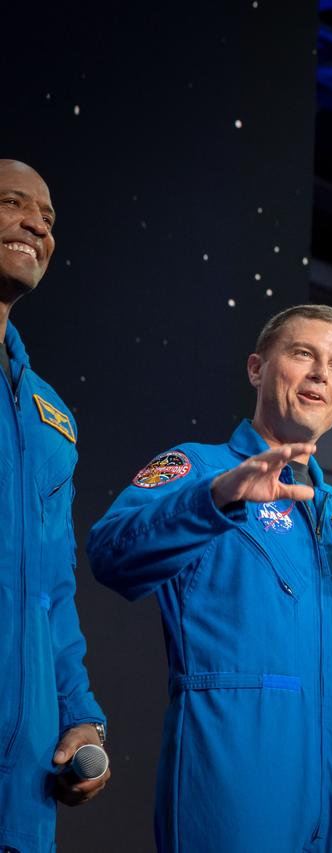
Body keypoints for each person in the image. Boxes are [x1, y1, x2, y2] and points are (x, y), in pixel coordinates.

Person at [87, 304, 332, 852]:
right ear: (256, 369)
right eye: (303, 354)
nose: (321, 374)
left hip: (331, 794)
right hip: (232, 781)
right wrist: (215, 499)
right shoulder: (201, 470)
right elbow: (110, 554)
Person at [0, 159, 109, 852]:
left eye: (46, 218)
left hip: (24, 785)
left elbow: (52, 593)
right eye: (13, 204)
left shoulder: (51, 417)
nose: (36, 226)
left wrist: (79, 714)